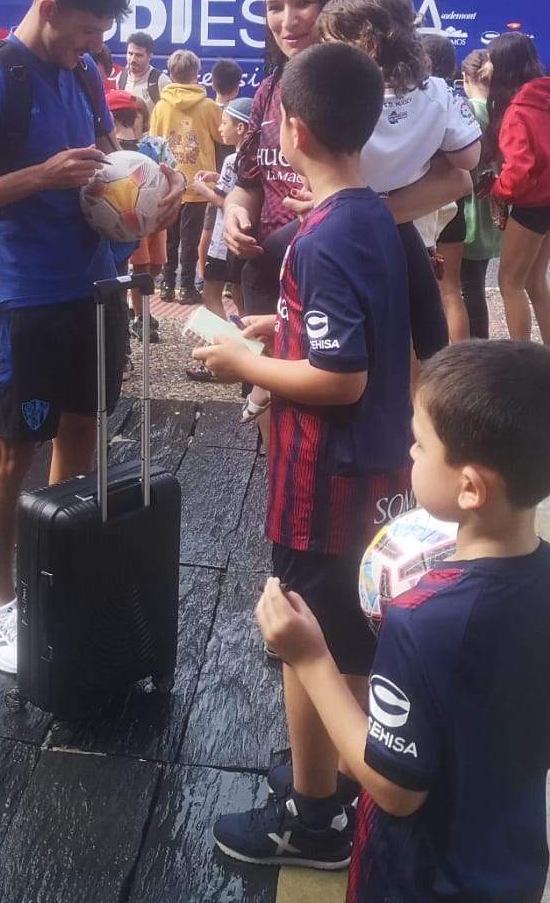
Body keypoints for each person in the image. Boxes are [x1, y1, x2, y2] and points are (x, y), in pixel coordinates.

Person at [0, 0, 184, 676]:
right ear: (48, 8)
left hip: (94, 289)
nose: (95, 46)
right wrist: (38, 177)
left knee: (83, 432)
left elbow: (106, 161)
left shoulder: (85, 72)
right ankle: (0, 602)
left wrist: (152, 187)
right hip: (24, 301)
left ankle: (62, 570)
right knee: (13, 453)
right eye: (87, 30)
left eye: (102, 34)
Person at [255, 340, 550, 902]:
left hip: (419, 880)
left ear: (470, 488)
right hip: (510, 863)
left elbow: (393, 790)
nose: (409, 452)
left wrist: (310, 659)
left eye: (420, 443)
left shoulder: (422, 620)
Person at [193, 42, 411, 870]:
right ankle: (342, 778)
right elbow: (355, 337)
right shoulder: (371, 216)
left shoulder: (321, 238)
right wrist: (275, 328)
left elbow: (340, 377)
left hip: (322, 481)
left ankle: (313, 817)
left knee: (304, 630)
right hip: (374, 472)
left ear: (295, 129)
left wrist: (242, 364)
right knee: (351, 636)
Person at [311, 0, 481, 365]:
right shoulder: (437, 92)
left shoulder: (345, 97)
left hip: (345, 219)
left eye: (332, 43)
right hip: (406, 225)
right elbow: (468, 158)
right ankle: (435, 380)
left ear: (367, 43)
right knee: (423, 324)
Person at [222, 0, 348, 431]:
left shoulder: (361, 86)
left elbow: (450, 178)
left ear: (331, 2)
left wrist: (340, 204)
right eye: (274, 6)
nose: (287, 20)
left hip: (332, 277)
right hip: (267, 272)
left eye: (303, 2)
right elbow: (249, 180)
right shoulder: (268, 89)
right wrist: (234, 212)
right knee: (268, 411)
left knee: (323, 417)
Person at [486, 33, 550, 349]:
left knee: (509, 282)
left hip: (533, 204)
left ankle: (522, 361)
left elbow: (520, 169)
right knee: (536, 281)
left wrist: (498, 189)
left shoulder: (518, 110)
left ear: (503, 66)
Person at [438, 50, 502, 341]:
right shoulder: (499, 111)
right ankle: (479, 343)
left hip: (469, 210)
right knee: (474, 284)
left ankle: (475, 346)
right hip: (490, 209)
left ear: (465, 78)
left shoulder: (469, 111)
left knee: (464, 288)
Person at [151, 48, 219, 304]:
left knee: (170, 239)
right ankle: (187, 287)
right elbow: (222, 135)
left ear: (170, 73)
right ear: (196, 73)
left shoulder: (160, 107)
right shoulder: (208, 106)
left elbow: (154, 141)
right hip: (197, 184)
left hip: (168, 183)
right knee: (191, 241)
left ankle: (167, 285)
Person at [108, 87, 172, 341]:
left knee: (154, 265)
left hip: (152, 218)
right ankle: (138, 316)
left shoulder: (152, 146)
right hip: (129, 218)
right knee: (138, 267)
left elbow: (169, 172)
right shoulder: (110, 151)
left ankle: (134, 311)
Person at [191, 94, 253, 330]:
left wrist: (201, 189)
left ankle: (225, 342)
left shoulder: (232, 159)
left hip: (223, 240)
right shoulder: (255, 157)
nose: (220, 128)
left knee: (210, 295)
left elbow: (221, 199)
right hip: (244, 237)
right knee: (241, 297)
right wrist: (216, 177)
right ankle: (252, 342)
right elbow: (239, 185)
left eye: (225, 122)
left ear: (240, 128)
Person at [115, 30, 162, 113]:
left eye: (138, 55)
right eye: (130, 54)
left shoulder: (160, 81)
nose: (133, 59)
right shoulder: (121, 78)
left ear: (150, 56)